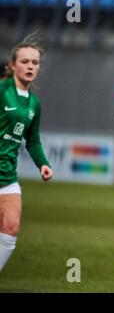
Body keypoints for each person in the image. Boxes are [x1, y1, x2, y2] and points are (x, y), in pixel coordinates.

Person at [0, 36, 53, 273]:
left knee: (11, 228)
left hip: (7, 174)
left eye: (35, 62)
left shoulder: (34, 103)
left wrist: (42, 163)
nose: (31, 66)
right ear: (12, 65)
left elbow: (32, 140)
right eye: (25, 61)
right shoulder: (2, 91)